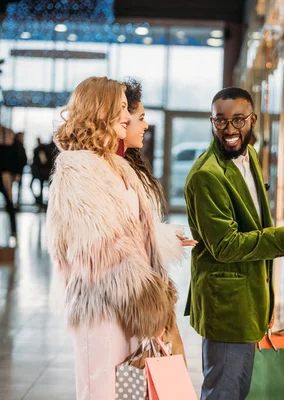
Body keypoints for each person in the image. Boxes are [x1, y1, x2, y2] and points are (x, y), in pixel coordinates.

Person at [184, 87, 284, 399]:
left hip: (249, 297)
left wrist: (264, 299)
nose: (229, 129)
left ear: (252, 119)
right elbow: (227, 246)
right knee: (223, 392)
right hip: (227, 305)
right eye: (220, 121)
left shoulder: (250, 155)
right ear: (212, 121)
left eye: (238, 120)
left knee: (239, 390)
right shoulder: (206, 175)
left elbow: (253, 225)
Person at [47, 76, 178, 400]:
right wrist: (151, 304)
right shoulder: (77, 167)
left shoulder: (115, 166)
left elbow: (134, 233)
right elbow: (102, 249)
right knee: (102, 392)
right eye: (120, 107)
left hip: (128, 307)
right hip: (101, 310)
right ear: (100, 111)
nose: (127, 115)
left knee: (128, 391)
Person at [121, 77, 197, 360]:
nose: (146, 125)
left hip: (148, 296)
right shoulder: (104, 172)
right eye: (140, 118)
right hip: (134, 300)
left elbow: (140, 230)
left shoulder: (129, 165)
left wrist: (166, 237)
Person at [0, 127, 17, 240]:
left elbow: (16, 161)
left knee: (9, 204)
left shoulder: (11, 147)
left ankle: (13, 231)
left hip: (5, 176)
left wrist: (14, 174)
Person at [30, 137, 53, 210]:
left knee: (42, 187)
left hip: (42, 172)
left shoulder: (40, 150)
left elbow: (43, 162)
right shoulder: (43, 149)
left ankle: (41, 202)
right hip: (44, 172)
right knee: (45, 187)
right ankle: (41, 201)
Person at [10, 132, 27, 210]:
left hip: (18, 171)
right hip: (16, 171)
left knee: (16, 188)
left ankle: (15, 204)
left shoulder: (19, 145)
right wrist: (16, 172)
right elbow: (18, 159)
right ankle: (13, 204)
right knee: (12, 188)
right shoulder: (17, 145)